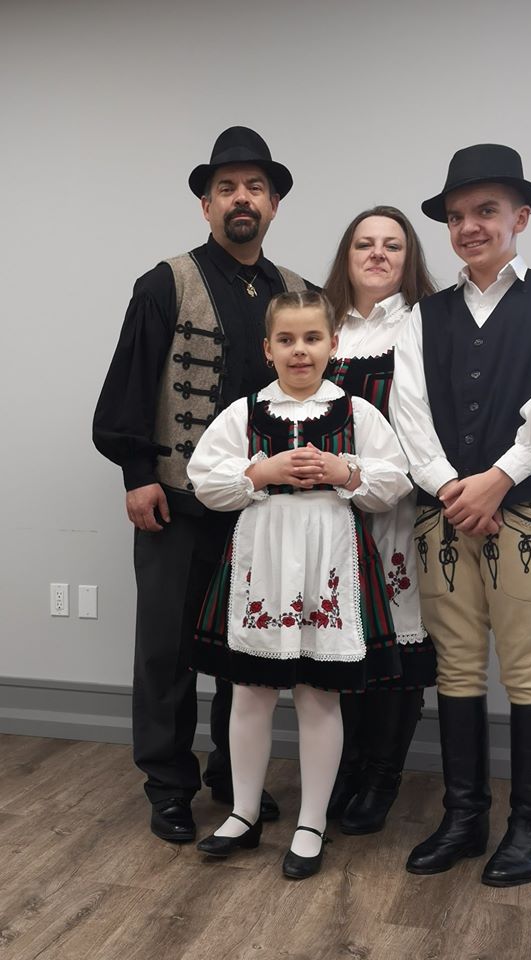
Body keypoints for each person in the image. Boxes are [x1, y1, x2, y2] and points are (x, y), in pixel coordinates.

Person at [93, 126, 311, 843]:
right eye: (226, 188)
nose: (241, 198)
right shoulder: (165, 283)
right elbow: (129, 387)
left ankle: (231, 775)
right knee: (166, 649)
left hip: (262, 506)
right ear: (206, 204)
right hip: (176, 502)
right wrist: (137, 476)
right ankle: (168, 784)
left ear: (273, 204)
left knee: (243, 650)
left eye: (254, 188)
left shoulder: (297, 293)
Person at [391, 144, 531, 886]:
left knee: (526, 662)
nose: (470, 227)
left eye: (486, 211)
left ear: (521, 216)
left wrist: (498, 480)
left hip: (524, 511)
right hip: (442, 513)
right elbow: (409, 414)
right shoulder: (423, 316)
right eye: (456, 216)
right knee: (455, 662)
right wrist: (453, 488)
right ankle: (464, 817)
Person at [186, 290, 412, 879]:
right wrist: (259, 472)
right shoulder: (245, 413)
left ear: (333, 345)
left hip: (329, 557)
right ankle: (243, 812)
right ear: (268, 349)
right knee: (249, 691)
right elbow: (204, 478)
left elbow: (394, 480)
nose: (300, 351)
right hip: (263, 557)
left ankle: (311, 822)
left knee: (319, 694)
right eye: (286, 340)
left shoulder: (356, 413)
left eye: (312, 338)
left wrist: (345, 471)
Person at [322, 206, 437, 834]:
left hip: (399, 508)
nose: (377, 254)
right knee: (340, 638)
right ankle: (345, 766)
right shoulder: (323, 325)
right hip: (327, 510)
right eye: (364, 243)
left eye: (392, 245)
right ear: (347, 255)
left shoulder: (427, 323)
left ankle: (382, 774)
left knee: (395, 638)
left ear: (408, 258)